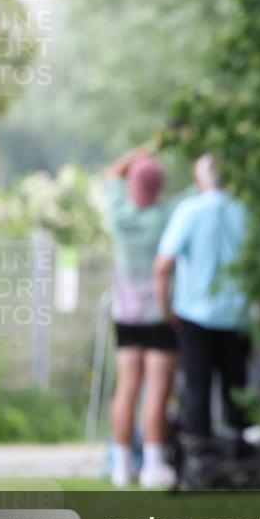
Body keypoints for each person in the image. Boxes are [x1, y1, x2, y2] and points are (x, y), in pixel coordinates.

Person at [154, 154, 254, 446]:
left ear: (198, 180)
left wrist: (165, 310)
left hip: (194, 314)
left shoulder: (189, 211)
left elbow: (162, 266)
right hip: (237, 315)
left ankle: (200, 451)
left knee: (196, 387)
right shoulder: (244, 211)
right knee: (236, 390)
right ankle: (239, 451)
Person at [104, 146, 185, 489]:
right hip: (160, 314)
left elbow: (112, 173)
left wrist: (147, 148)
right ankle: (153, 465)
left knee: (126, 389)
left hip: (125, 315)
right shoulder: (166, 215)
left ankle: (121, 466)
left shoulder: (118, 213)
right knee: (157, 392)